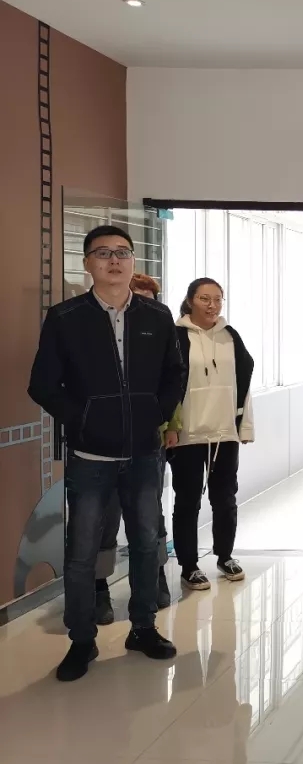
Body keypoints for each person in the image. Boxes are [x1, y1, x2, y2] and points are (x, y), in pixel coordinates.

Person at [28, 225, 185, 682]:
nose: (114, 260)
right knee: (82, 553)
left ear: (134, 261)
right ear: (87, 264)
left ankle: (143, 628)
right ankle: (82, 639)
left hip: (144, 454)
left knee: (146, 543)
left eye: (122, 252)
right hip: (89, 457)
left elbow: (175, 374)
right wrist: (83, 420)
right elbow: (42, 385)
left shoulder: (157, 316)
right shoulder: (65, 317)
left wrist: (156, 412)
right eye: (103, 253)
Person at [95, 273, 181, 624]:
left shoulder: (159, 331)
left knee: (149, 515)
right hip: (103, 443)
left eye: (149, 299)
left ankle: (154, 577)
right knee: (105, 516)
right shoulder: (99, 330)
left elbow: (174, 380)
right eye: (138, 297)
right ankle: (99, 586)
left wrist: (170, 424)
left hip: (148, 440)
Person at [168, 278, 254, 591]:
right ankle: (188, 565)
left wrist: (244, 426)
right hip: (187, 435)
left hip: (224, 433)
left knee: (225, 498)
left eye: (218, 299)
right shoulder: (176, 336)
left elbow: (243, 384)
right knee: (187, 501)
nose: (212, 305)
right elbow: (166, 385)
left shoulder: (230, 336)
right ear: (191, 300)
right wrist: (170, 427)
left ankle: (225, 556)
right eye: (205, 298)